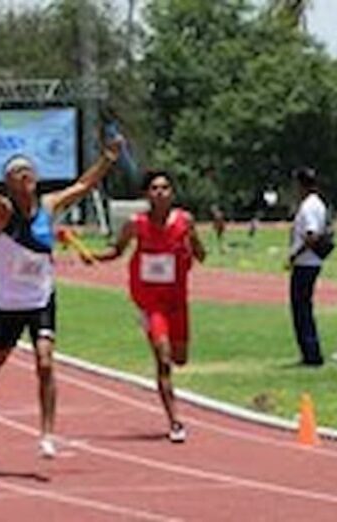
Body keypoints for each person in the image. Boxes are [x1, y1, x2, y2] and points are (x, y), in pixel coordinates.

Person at [0, 138, 121, 459]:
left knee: (45, 362)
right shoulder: (3, 212)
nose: (26, 176)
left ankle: (47, 434)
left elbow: (83, 185)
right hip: (9, 304)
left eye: (29, 171)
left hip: (41, 299)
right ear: (9, 182)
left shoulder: (48, 207)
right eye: (18, 173)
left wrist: (107, 159)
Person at [84, 170, 206, 443]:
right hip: (151, 303)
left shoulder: (184, 221)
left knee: (180, 358)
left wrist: (192, 241)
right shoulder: (135, 224)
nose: (160, 192)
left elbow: (202, 255)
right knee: (163, 361)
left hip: (177, 302)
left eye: (165, 187)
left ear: (172, 193)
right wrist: (94, 257)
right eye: (154, 188)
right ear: (146, 194)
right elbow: (117, 251)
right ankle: (175, 422)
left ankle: (172, 406)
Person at [286, 167, 328, 367]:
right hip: (310, 262)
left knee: (301, 308)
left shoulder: (309, 206)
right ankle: (309, 351)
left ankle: (311, 353)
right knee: (303, 307)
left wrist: (295, 254)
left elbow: (311, 235)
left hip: (306, 262)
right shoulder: (315, 204)